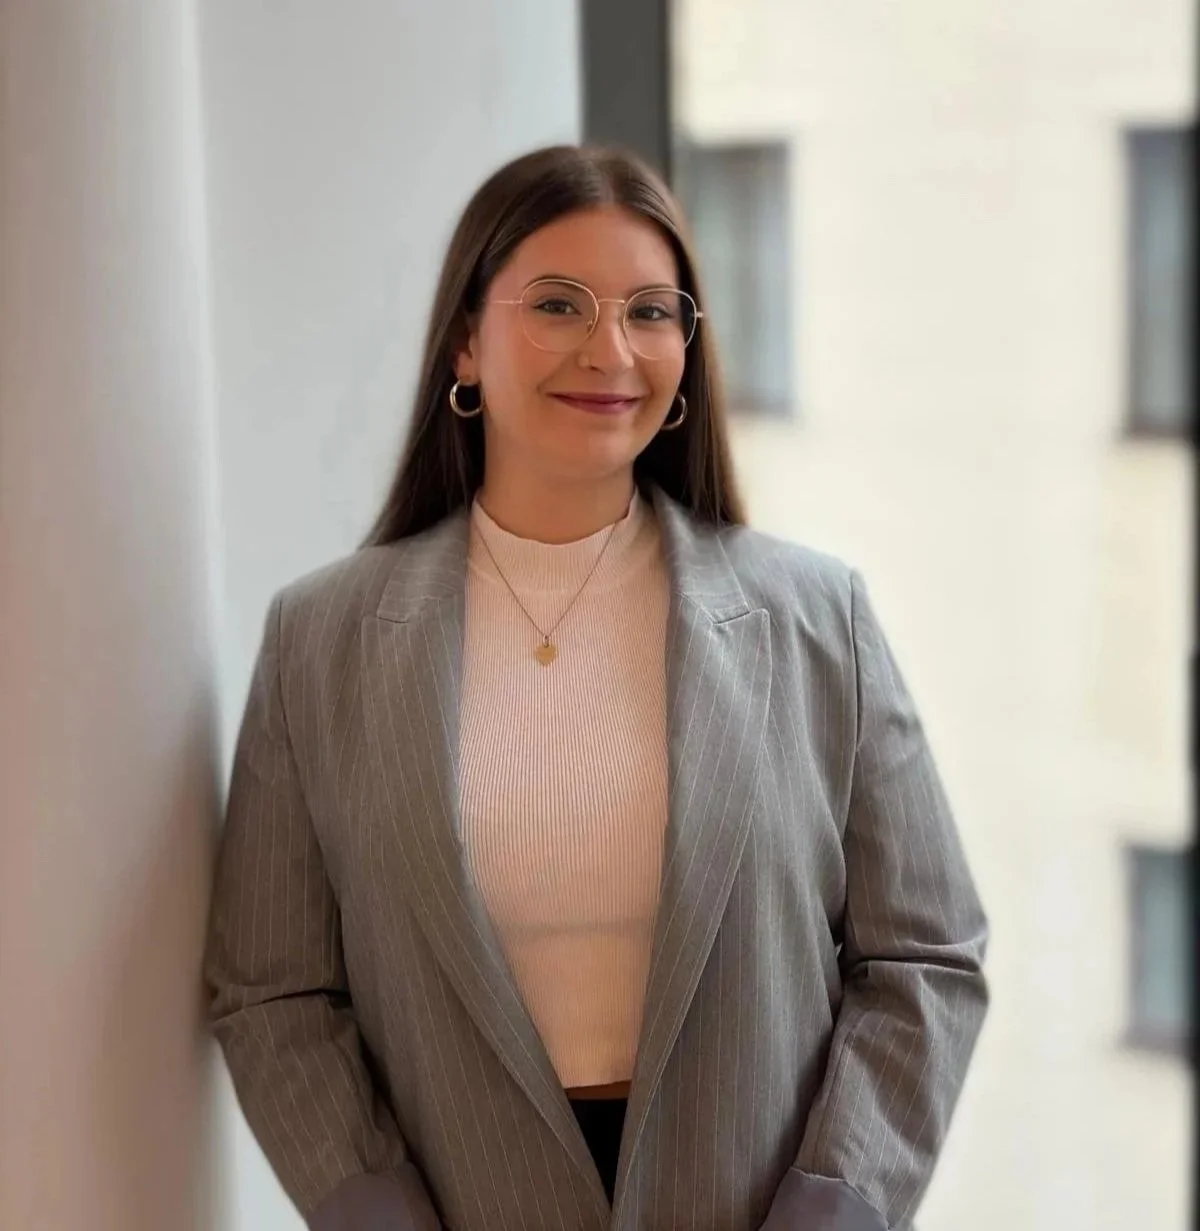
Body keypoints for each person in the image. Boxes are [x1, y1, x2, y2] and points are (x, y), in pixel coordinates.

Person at [205, 143, 988, 1231]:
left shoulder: (819, 618)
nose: (611, 349)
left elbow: (924, 955)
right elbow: (272, 987)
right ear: (466, 342)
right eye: (558, 304)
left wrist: (836, 1210)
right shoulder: (321, 640)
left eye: (651, 312)